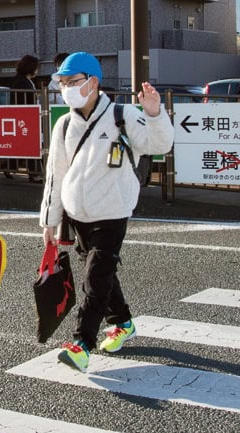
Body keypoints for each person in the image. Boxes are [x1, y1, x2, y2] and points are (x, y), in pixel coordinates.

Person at [40, 52, 174, 372]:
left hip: (112, 211)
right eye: (62, 83)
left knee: (95, 277)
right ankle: (123, 321)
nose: (65, 88)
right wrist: (50, 220)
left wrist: (155, 113)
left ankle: (81, 341)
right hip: (77, 214)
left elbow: (160, 144)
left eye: (73, 82)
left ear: (93, 82)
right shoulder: (63, 124)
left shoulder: (122, 115)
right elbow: (55, 175)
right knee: (101, 273)